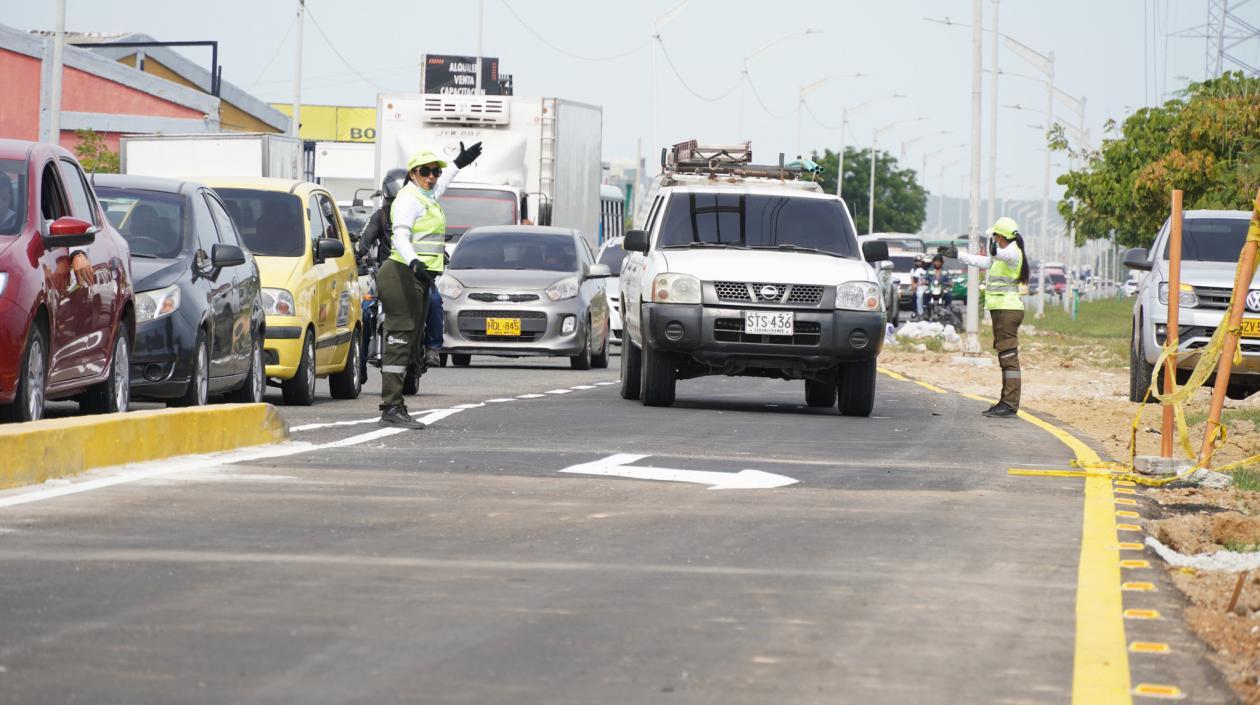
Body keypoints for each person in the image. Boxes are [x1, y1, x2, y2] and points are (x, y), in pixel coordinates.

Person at [376, 141, 482, 429]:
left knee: (412, 341)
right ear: (413, 173)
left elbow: (441, 186)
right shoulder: (408, 199)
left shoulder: (427, 196)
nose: (432, 177)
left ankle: (397, 403)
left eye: (436, 171)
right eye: (426, 171)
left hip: (421, 276)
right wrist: (413, 261)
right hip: (402, 273)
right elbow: (400, 235)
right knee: (400, 339)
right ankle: (391, 407)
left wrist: (458, 163)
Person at [940, 216, 1030, 418]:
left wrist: (996, 251)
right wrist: (959, 255)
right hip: (1002, 310)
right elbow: (982, 260)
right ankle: (1006, 401)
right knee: (1004, 355)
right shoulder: (1004, 254)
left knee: (1008, 357)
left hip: (1007, 310)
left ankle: (1009, 404)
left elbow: (1004, 255)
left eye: (996, 236)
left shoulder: (1012, 252)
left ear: (1001, 236)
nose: (994, 239)